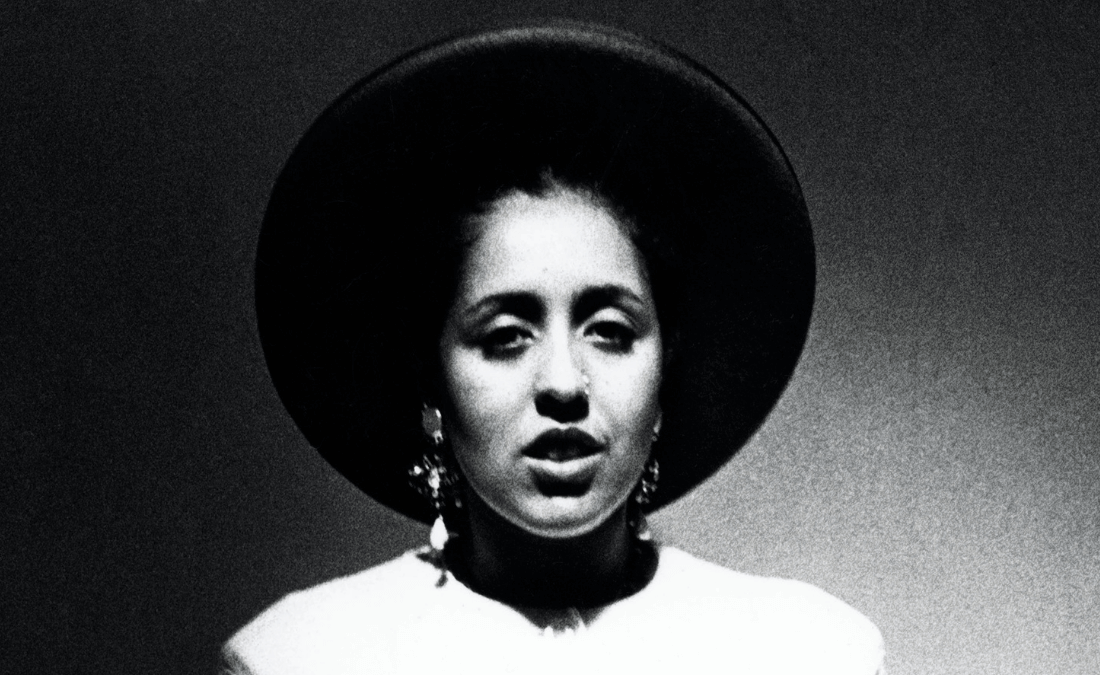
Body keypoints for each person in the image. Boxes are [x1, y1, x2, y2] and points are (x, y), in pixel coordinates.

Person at [225, 23, 885, 675]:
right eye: (506, 337)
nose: (565, 383)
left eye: (611, 332)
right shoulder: (298, 656)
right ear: (432, 383)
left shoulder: (812, 650)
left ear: (666, 373)